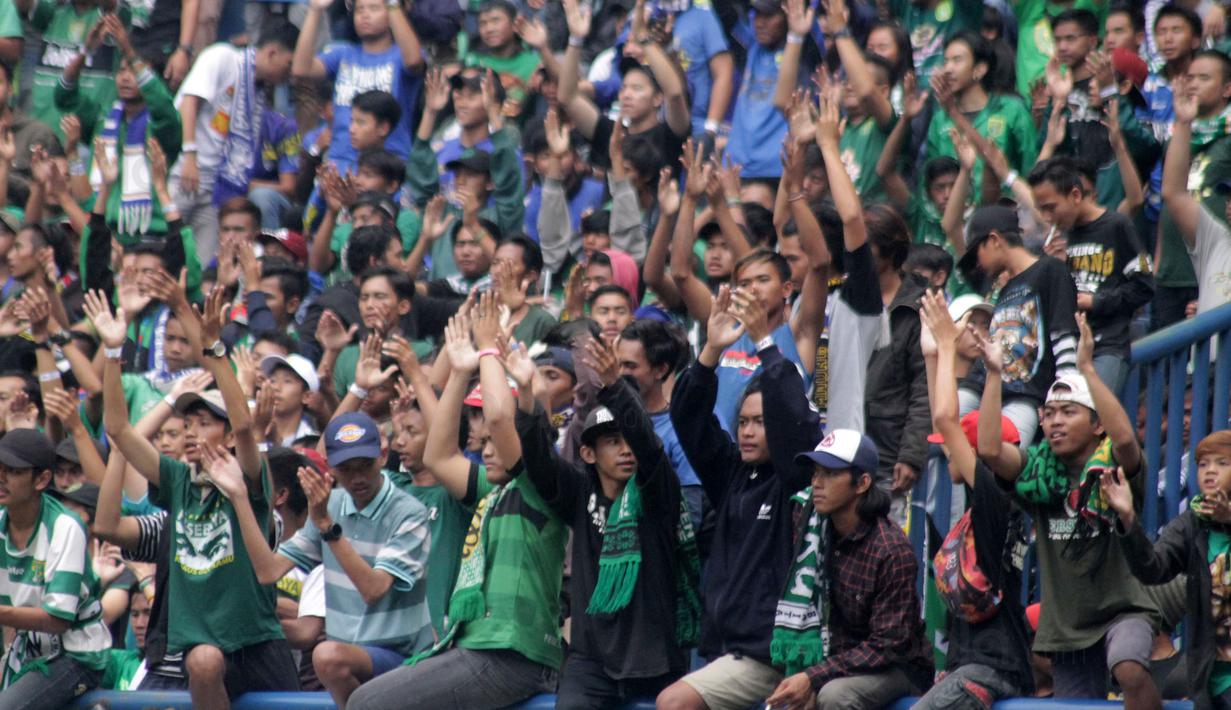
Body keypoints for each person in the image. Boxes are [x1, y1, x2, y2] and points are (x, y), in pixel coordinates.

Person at [349, 305, 566, 710]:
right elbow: (438, 454)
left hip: (513, 655)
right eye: (482, 443)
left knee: (366, 703)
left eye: (493, 442)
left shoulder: (540, 483)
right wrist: (462, 370)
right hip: (476, 647)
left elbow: (503, 421)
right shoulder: (494, 489)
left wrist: (487, 351)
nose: (486, 448)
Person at [95, 287, 299, 709]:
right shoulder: (177, 480)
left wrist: (215, 350)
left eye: (203, 423)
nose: (190, 432)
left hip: (259, 642)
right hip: (204, 648)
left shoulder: (247, 476)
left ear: (223, 434)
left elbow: (244, 427)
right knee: (203, 661)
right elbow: (118, 429)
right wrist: (114, 352)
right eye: (186, 424)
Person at [510, 320, 699, 708]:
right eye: (612, 442)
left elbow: (647, 444)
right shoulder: (580, 493)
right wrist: (527, 396)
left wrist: (614, 387)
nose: (626, 449)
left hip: (656, 663)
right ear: (588, 453)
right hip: (590, 663)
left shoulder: (657, 492)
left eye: (627, 439)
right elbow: (539, 461)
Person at [977, 312, 1162, 707]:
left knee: (1128, 667)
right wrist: (994, 374)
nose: (1054, 422)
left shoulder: (1115, 465)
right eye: (1049, 414)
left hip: (1125, 611)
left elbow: (1126, 438)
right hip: (1068, 626)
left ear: (1097, 425)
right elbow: (991, 450)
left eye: (1069, 412)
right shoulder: (1037, 477)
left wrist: (1087, 370)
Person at [655, 286, 820, 710]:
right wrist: (710, 350)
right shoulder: (732, 474)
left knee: (673, 702)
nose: (746, 431)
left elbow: (798, 421)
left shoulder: (797, 479)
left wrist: (765, 342)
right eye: (742, 422)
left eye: (759, 423)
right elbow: (688, 418)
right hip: (723, 647)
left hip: (770, 655)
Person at [211, 411, 433, 709]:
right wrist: (239, 496)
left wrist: (328, 527)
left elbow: (373, 590)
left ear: (382, 456)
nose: (357, 478)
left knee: (326, 656)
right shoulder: (332, 503)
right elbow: (268, 571)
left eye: (364, 466)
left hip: (405, 658)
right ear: (331, 468)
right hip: (351, 657)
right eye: (346, 468)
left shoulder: (409, 512)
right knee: (328, 656)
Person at [915, 290, 1035, 708]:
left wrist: (949, 348)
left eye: (957, 449)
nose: (947, 453)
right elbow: (943, 424)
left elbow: (946, 421)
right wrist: (934, 358)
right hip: (978, 662)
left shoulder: (994, 502)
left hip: (990, 668)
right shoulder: (994, 500)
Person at [763, 428, 932, 709]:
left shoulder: (890, 550)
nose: (817, 483)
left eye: (829, 474)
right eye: (815, 473)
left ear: (862, 483)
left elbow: (888, 646)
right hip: (838, 659)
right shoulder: (813, 532)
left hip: (898, 668)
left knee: (834, 696)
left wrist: (814, 677)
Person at [1104, 430, 1231, 710]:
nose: (1210, 471)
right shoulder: (1192, 523)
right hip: (1214, 679)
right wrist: (1127, 520)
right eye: (1202, 464)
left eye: (1222, 463)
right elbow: (1153, 569)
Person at [171, 20, 298, 263]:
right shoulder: (222, 57)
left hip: (216, 191)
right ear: (272, 52)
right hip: (186, 174)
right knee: (163, 249)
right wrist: (189, 155)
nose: (290, 72)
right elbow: (189, 101)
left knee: (205, 263)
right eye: (289, 63)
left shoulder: (259, 93)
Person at [0, 428, 110, 707]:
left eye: (12, 471)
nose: (1, 478)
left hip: (76, 656)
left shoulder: (65, 527)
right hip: (28, 650)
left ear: (43, 479)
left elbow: (57, 620)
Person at [1028, 156, 1154, 394]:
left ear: (1075, 195)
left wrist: (1095, 301)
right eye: (1041, 209)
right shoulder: (1062, 238)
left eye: (1051, 207)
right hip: (1067, 349)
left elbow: (1144, 286)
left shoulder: (1117, 226)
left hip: (1107, 345)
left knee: (1089, 411)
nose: (1046, 217)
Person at [957, 205, 1078, 447]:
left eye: (976, 252)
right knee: (948, 441)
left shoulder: (1050, 270)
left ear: (994, 240)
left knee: (1003, 462)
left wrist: (1064, 396)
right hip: (983, 387)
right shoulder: (1004, 288)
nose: (978, 264)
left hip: (1025, 395)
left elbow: (1063, 335)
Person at [291, 0, 424, 178]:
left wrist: (393, 3)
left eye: (374, 8)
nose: (365, 14)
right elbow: (301, 70)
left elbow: (414, 61)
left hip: (387, 165)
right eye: (360, 9)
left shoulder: (401, 55)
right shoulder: (343, 53)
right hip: (339, 162)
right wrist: (315, 11)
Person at [926, 31, 1036, 195]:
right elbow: (933, 177)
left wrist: (954, 113)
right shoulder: (940, 119)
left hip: (1006, 212)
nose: (948, 69)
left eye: (957, 60)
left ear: (979, 69)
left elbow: (1031, 168)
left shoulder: (1012, 110)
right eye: (946, 61)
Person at [1160, 83, 1231, 316]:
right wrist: (1183, 124)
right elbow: (1174, 193)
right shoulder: (1218, 240)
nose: (1230, 205)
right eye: (1229, 198)